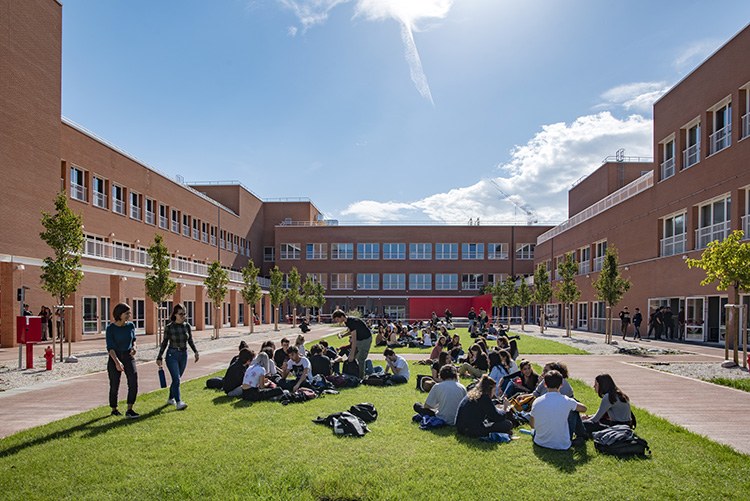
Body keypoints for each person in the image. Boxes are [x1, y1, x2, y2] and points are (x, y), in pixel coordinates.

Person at [529, 370, 587, 450]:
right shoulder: (567, 401)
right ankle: (581, 434)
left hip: (540, 441)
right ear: (561, 385)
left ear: (545, 384)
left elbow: (532, 425)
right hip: (562, 444)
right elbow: (584, 409)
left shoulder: (537, 401)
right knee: (574, 411)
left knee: (534, 430)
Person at [156, 304, 199, 410]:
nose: (183, 316)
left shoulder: (187, 326)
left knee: (176, 380)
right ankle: (179, 402)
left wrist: (195, 352)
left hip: (183, 355)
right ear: (175, 314)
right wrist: (159, 357)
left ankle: (171, 398)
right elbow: (164, 343)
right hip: (172, 355)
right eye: (181, 314)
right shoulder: (169, 327)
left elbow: (190, 340)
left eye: (184, 313)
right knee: (177, 379)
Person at [106, 303, 139, 418]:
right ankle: (114, 409)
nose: (129, 315)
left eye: (129, 313)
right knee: (115, 384)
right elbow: (110, 347)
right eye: (127, 313)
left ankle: (130, 409)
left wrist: (134, 347)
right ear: (119, 314)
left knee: (133, 381)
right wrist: (117, 362)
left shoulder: (130, 326)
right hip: (115, 356)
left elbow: (133, 339)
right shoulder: (110, 329)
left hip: (128, 356)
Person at [332, 310, 373, 379]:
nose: (337, 321)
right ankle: (354, 374)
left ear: (342, 316)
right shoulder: (348, 321)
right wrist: (343, 335)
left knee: (361, 359)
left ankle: (360, 378)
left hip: (365, 339)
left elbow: (353, 340)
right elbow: (351, 331)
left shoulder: (351, 322)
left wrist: (351, 353)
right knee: (354, 358)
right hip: (359, 339)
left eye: (337, 319)